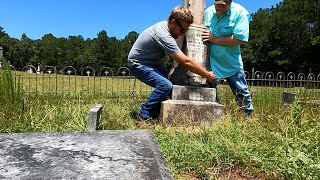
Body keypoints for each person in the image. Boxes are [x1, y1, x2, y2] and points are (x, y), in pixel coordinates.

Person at [128, 7, 216, 121]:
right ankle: (144, 113)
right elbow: (185, 61)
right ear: (173, 22)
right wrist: (207, 75)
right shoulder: (162, 34)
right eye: (183, 30)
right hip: (138, 64)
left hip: (151, 63)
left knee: (169, 77)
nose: (182, 34)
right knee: (165, 85)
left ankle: (156, 109)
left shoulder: (167, 29)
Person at [202, 0, 253, 117]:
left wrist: (214, 39)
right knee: (208, 90)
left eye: (223, 5)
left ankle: (247, 116)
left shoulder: (241, 13)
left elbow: (240, 39)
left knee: (241, 91)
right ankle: (210, 115)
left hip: (230, 61)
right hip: (210, 61)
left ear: (230, 2)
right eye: (217, 3)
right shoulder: (208, 12)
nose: (219, 7)